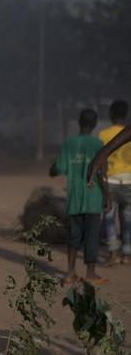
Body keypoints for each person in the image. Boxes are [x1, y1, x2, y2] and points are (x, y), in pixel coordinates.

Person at [50, 109, 109, 286]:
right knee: (92, 236)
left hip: (74, 196)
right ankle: (90, 273)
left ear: (79, 122)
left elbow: (59, 168)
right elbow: (101, 173)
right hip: (93, 196)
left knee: (74, 234)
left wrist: (52, 169)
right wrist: (107, 196)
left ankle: (70, 272)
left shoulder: (69, 142)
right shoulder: (98, 144)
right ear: (95, 123)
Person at [98, 100, 131, 266]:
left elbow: (101, 160)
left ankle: (113, 253)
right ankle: (127, 254)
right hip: (129, 180)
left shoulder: (103, 134)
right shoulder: (129, 132)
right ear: (125, 115)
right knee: (127, 218)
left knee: (109, 217)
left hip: (110, 180)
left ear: (111, 114)